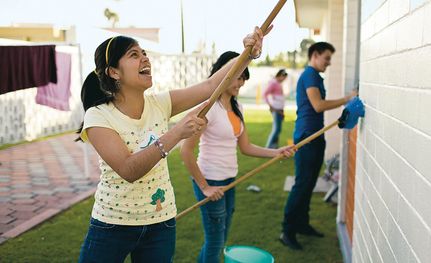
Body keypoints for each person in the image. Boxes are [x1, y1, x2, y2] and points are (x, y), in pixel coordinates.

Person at [76, 26, 266, 263]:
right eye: (134, 55)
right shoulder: (98, 115)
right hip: (113, 224)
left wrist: (247, 53)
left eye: (144, 52)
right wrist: (176, 133)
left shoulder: (159, 104)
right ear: (114, 72)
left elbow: (210, 87)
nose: (145, 57)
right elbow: (128, 170)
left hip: (160, 223)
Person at [180, 51, 295, 263]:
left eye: (243, 77)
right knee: (215, 242)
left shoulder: (237, 107)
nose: (241, 82)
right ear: (224, 73)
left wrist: (276, 152)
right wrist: (205, 186)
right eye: (238, 76)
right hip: (211, 181)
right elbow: (185, 151)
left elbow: (246, 147)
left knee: (219, 240)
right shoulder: (208, 108)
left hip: (229, 180)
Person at [279, 42, 357, 250]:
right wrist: (347, 99)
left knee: (309, 183)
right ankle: (287, 231)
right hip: (306, 137)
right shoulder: (310, 75)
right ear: (315, 55)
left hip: (316, 136)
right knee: (302, 184)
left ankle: (302, 225)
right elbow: (318, 105)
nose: (329, 63)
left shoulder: (315, 76)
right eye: (327, 58)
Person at [264, 68, 288, 148]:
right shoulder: (273, 83)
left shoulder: (278, 83)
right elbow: (265, 94)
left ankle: (274, 147)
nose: (284, 79)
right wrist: (270, 106)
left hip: (280, 109)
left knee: (278, 129)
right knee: (276, 129)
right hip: (276, 109)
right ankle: (268, 147)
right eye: (283, 77)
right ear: (280, 75)